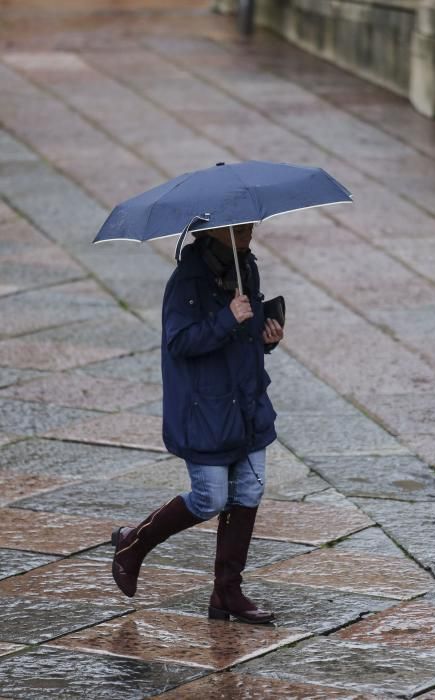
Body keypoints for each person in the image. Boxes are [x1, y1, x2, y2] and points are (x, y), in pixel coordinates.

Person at [111, 223, 284, 624]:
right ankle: (133, 542)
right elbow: (180, 342)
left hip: (246, 402)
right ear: (216, 232)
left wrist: (266, 335)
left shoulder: (245, 266)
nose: (249, 231)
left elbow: (245, 332)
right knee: (209, 498)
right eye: (239, 227)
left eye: (250, 224)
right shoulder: (186, 280)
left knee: (250, 491)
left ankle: (227, 592)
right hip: (205, 407)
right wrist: (227, 318)